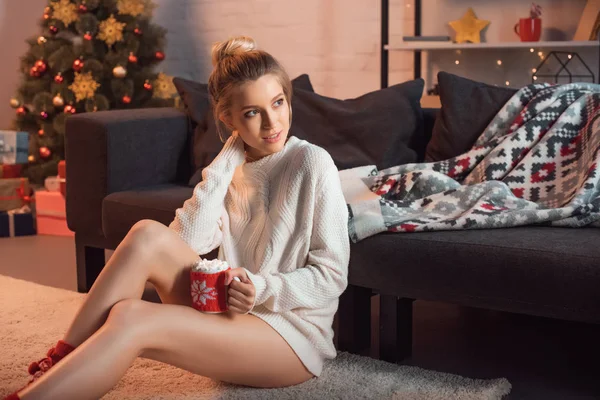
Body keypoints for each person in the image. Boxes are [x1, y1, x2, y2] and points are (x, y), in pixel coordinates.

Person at [5, 35, 350, 400]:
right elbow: (186, 243)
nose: (271, 123)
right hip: (230, 314)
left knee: (132, 317)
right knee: (146, 235)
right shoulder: (230, 170)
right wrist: (224, 164)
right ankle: (57, 364)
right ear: (228, 118)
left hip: (290, 338)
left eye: (278, 103)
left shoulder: (312, 162)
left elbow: (332, 276)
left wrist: (262, 287)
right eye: (252, 112)